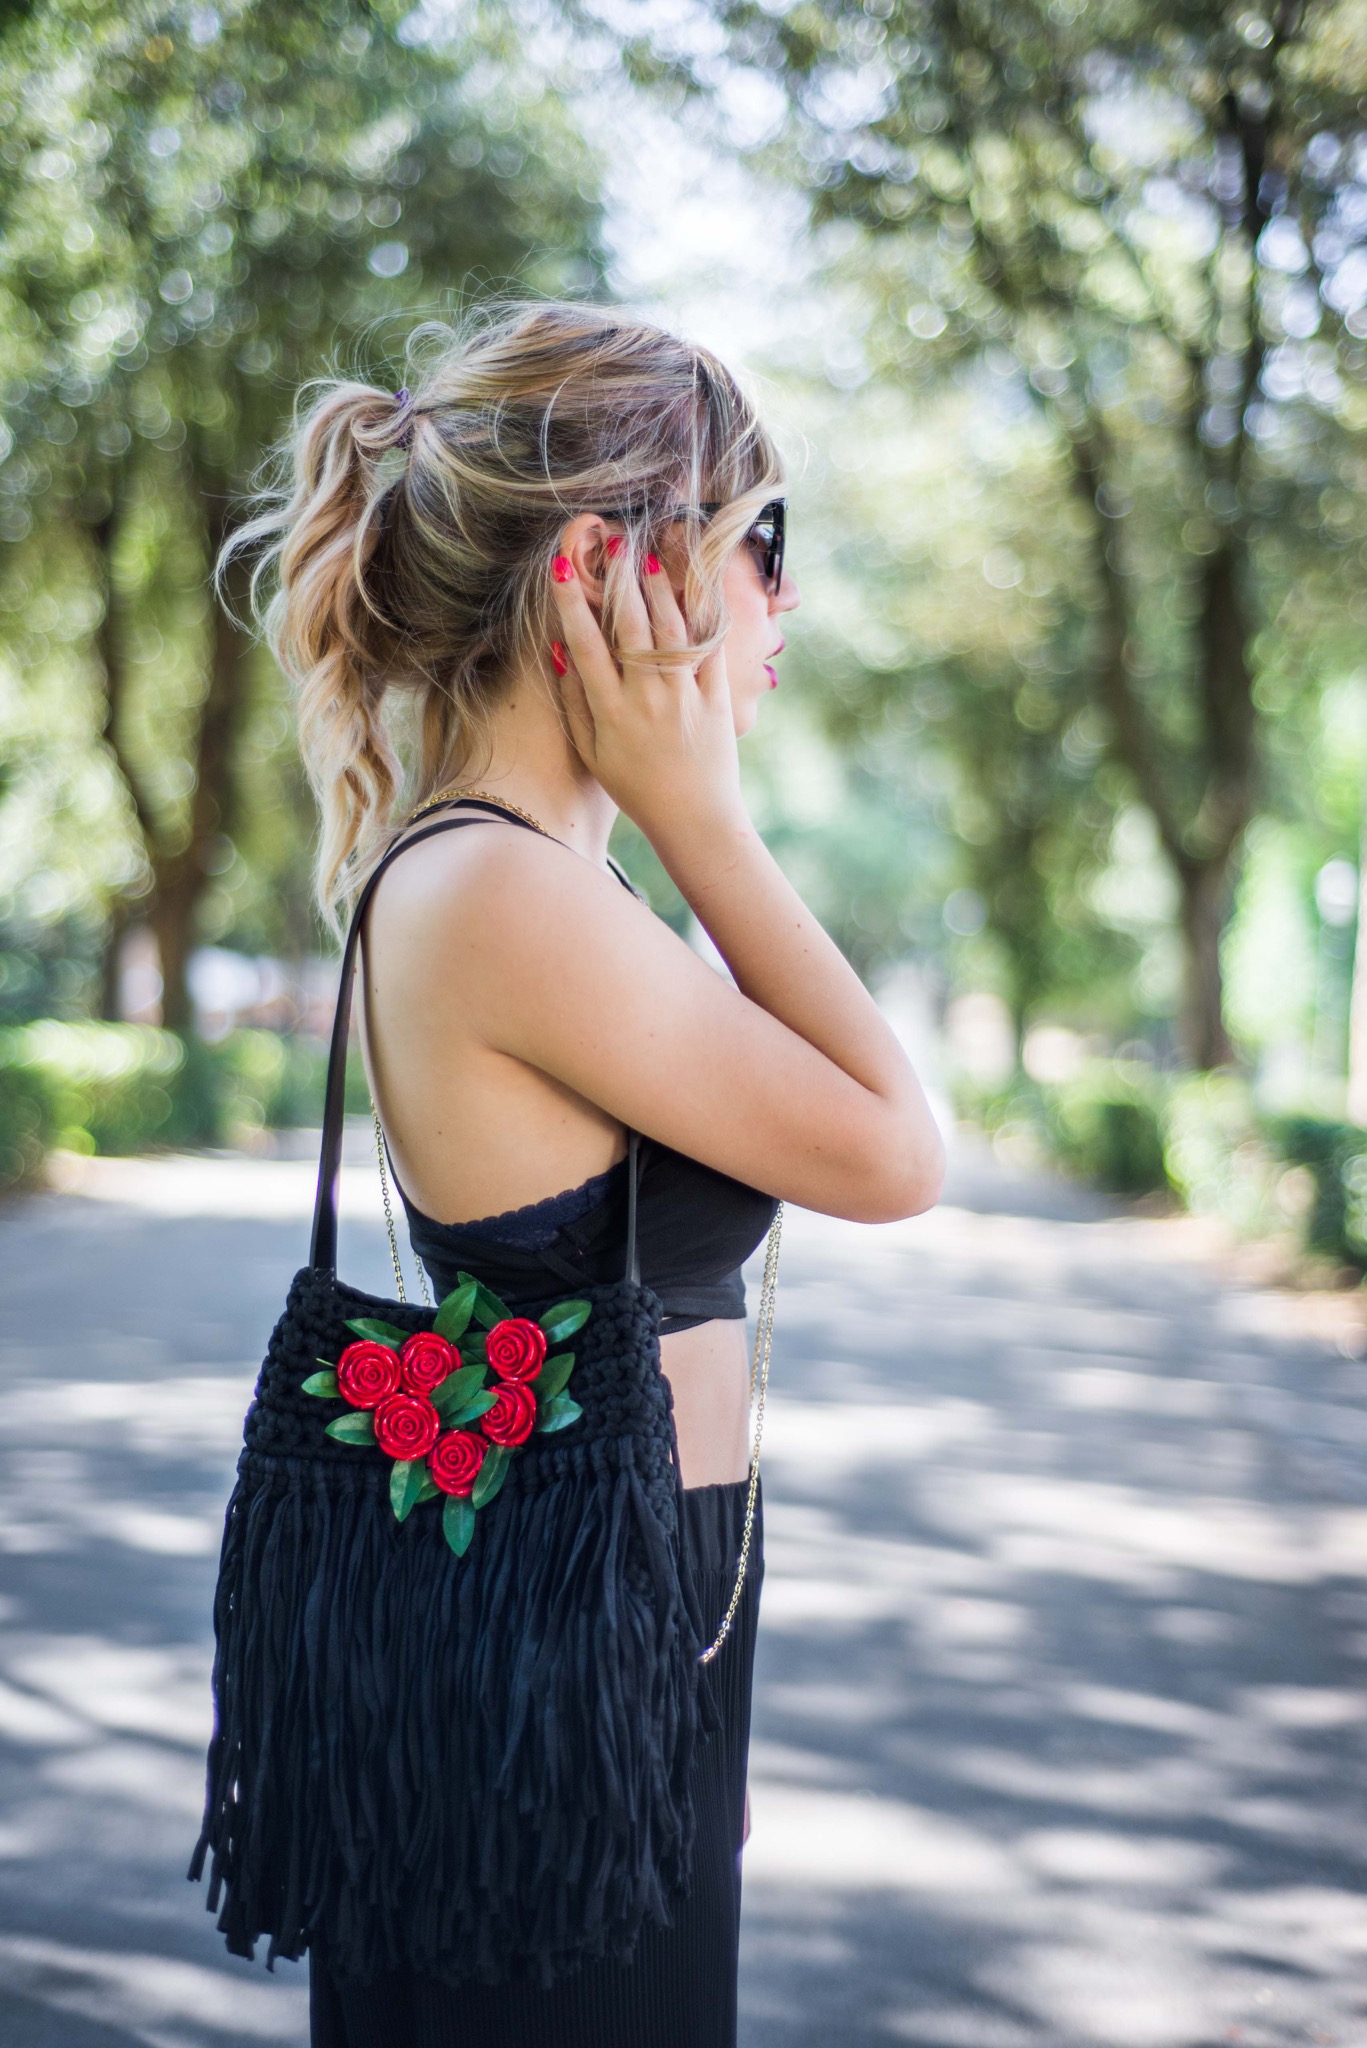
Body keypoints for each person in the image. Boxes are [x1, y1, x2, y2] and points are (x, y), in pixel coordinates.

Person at [225, 299, 945, 2048]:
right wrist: (703, 813)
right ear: (603, 573)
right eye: (760, 539)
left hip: (599, 1609)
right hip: (563, 1638)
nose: (787, 597)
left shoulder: (540, 878)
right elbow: (893, 1150)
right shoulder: (504, 893)